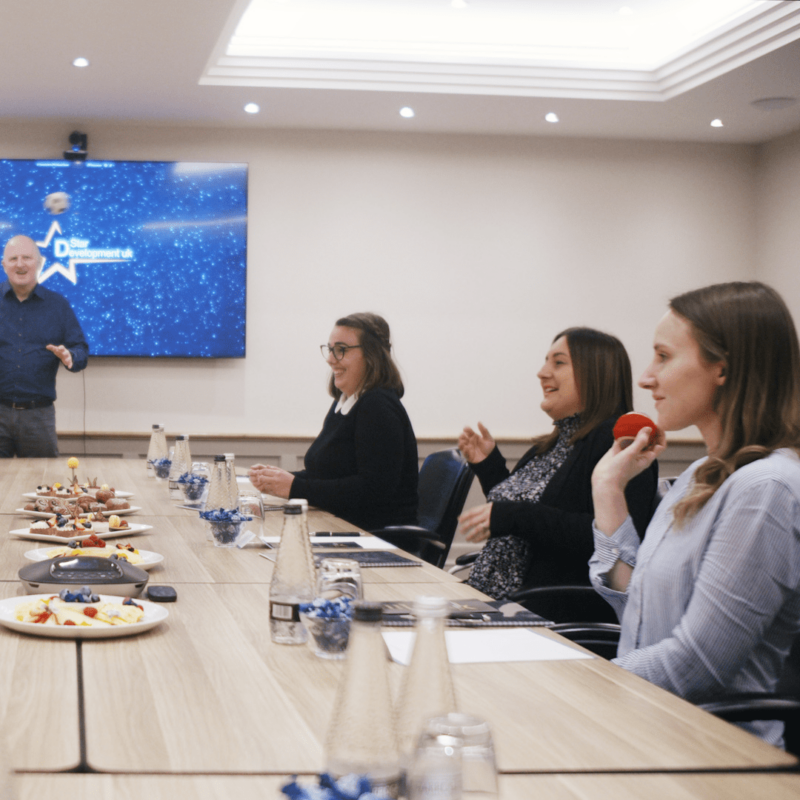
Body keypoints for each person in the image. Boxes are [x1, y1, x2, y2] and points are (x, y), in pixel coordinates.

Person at [590, 281, 800, 747]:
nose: (647, 377)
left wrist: (578, 681)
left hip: (709, 755)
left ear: (722, 368)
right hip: (644, 728)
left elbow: (697, 666)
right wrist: (607, 490)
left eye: (663, 356)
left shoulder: (765, 490)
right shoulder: (704, 473)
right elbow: (639, 611)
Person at [458, 327, 658, 599]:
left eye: (559, 362)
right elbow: (520, 514)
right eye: (546, 361)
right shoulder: (554, 442)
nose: (542, 372)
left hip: (540, 609)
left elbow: (610, 540)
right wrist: (488, 465)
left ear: (595, 372)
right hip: (493, 594)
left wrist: (514, 515)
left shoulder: (620, 444)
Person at [249, 312, 418, 531]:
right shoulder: (347, 401)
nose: (330, 359)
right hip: (346, 527)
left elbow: (373, 490)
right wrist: (279, 480)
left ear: (371, 355)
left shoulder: (378, 406)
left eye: (341, 350)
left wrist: (294, 487)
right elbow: (326, 475)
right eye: (330, 349)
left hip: (377, 539)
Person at [0, 235, 89, 458]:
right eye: (13, 259)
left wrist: (71, 356)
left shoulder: (58, 305)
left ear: (39, 263)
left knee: (41, 485)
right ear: (3, 264)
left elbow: (80, 350)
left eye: (27, 258)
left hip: (38, 417)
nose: (20, 264)